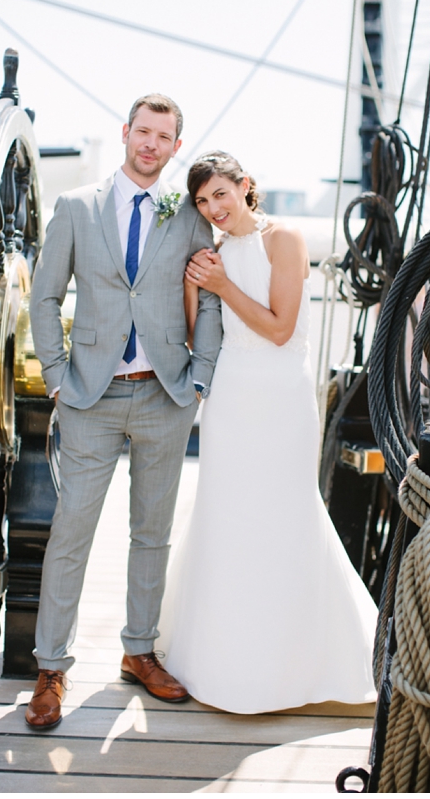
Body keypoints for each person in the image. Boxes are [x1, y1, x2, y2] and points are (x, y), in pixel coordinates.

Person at [26, 94, 222, 729]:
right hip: (89, 396)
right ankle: (51, 667)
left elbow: (211, 300)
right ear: (125, 133)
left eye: (164, 137)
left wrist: (200, 378)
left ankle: (139, 651)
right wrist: (57, 377)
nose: (151, 144)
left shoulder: (189, 217)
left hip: (166, 394)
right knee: (71, 533)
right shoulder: (78, 207)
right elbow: (45, 295)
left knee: (152, 534)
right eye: (143, 131)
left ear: (173, 148)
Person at [156, 151, 377, 713]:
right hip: (231, 395)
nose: (214, 208)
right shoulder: (215, 252)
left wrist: (223, 285)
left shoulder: (285, 239)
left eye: (220, 195)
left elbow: (280, 327)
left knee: (285, 511)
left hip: (280, 392)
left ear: (245, 186)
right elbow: (192, 330)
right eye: (203, 202)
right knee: (225, 514)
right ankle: (221, 661)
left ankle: (296, 664)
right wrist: (193, 281)